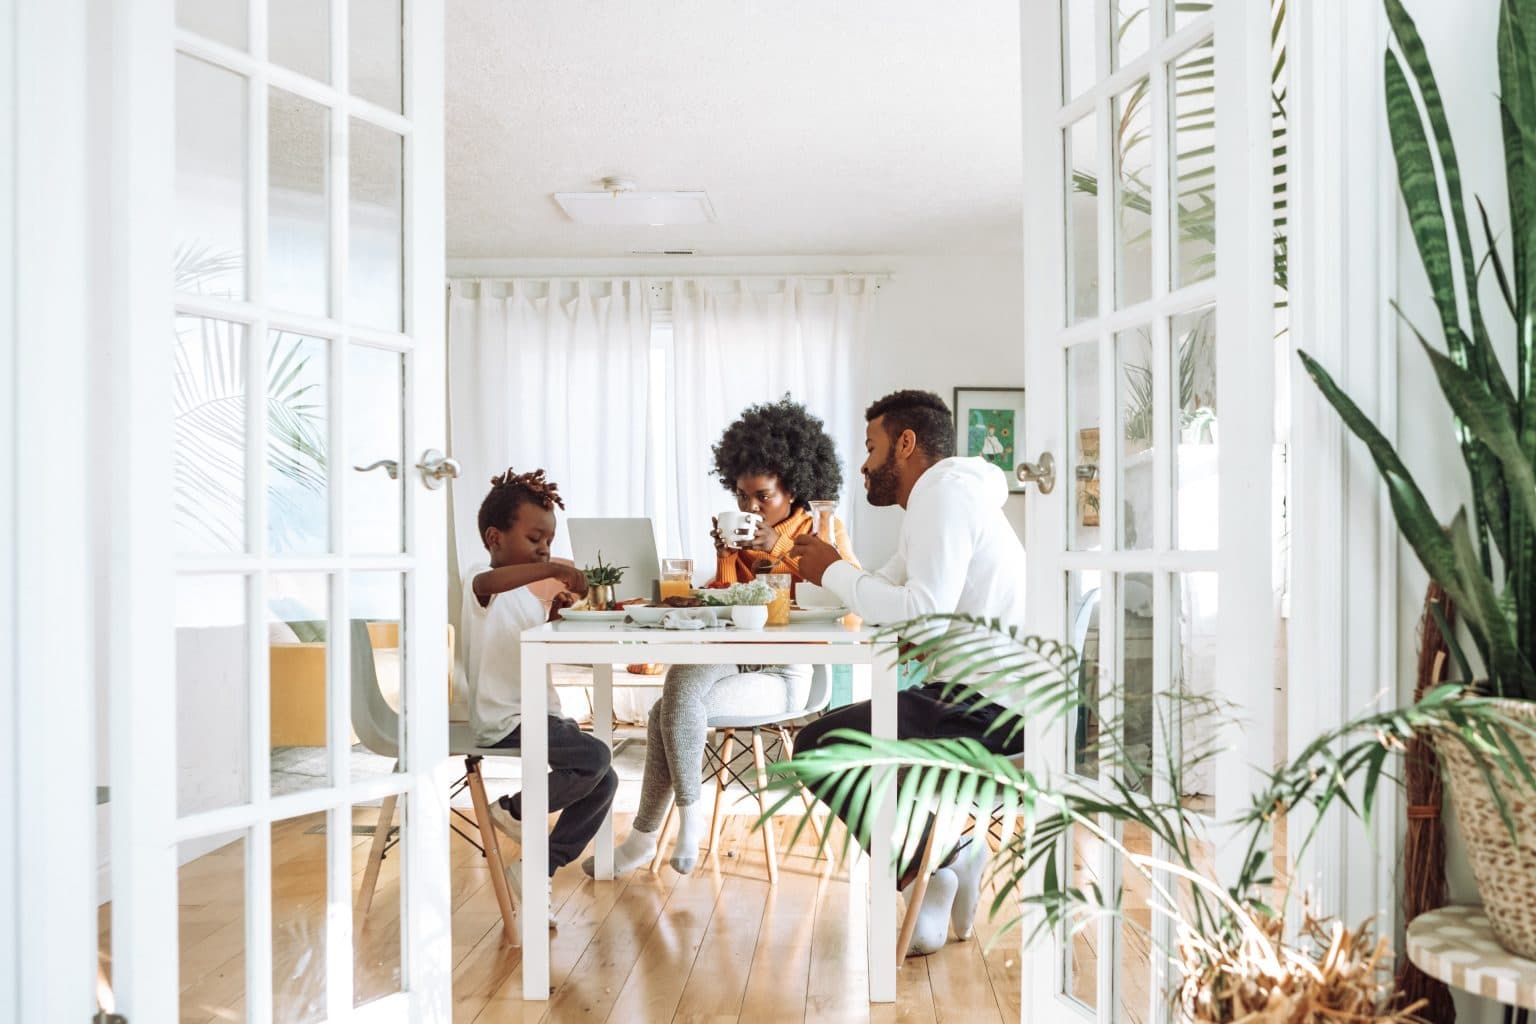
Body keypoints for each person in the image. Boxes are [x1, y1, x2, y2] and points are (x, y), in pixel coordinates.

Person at [788, 389, 1027, 956]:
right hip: (979, 694)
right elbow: (895, 592)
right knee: (835, 739)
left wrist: (834, 571)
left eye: (872, 448)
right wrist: (837, 573)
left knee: (819, 746)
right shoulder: (946, 497)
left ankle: (938, 867)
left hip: (997, 710)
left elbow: (918, 610)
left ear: (906, 443)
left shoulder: (941, 497)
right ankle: (947, 859)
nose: (866, 465)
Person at [589, 396, 859, 877]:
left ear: (794, 488)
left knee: (666, 710)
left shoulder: (822, 530)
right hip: (734, 656)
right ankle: (673, 827)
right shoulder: (743, 535)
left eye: (763, 496)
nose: (750, 507)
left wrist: (778, 546)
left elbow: (849, 602)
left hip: (786, 671)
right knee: (677, 690)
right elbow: (731, 608)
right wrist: (724, 560)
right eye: (742, 496)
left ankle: (652, 836)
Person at [461, 467, 618, 918]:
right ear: (495, 538)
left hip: (541, 715)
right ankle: (513, 809)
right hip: (505, 720)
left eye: (548, 541)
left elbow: (534, 647)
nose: (544, 550)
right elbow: (488, 586)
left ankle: (538, 868)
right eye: (534, 539)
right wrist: (551, 570)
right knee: (594, 758)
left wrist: (555, 611)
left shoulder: (527, 598)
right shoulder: (481, 581)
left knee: (604, 779)